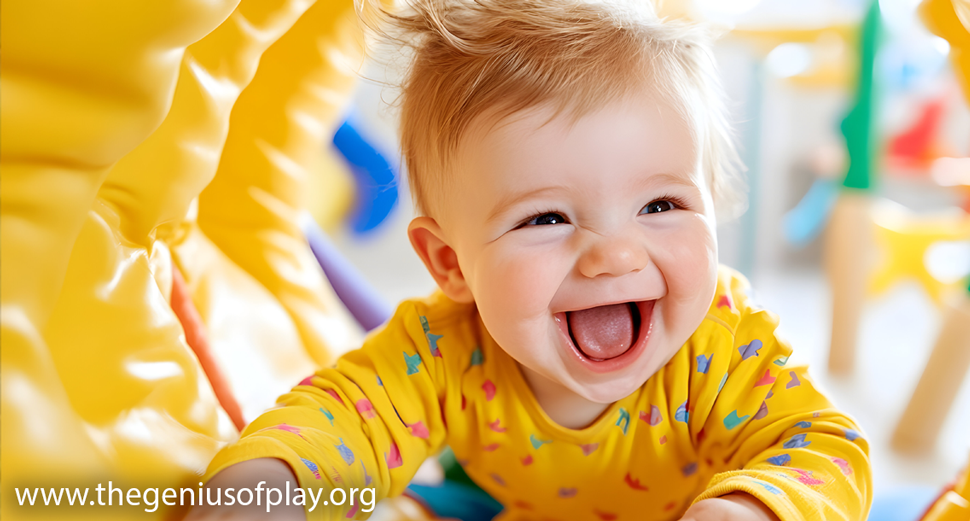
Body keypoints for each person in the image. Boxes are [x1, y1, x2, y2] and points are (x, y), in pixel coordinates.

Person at [189, 1, 871, 519]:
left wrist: (748, 510)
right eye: (546, 218)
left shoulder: (721, 343)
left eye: (660, 204)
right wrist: (268, 483)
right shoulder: (444, 350)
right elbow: (342, 418)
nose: (614, 255)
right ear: (451, 263)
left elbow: (823, 447)